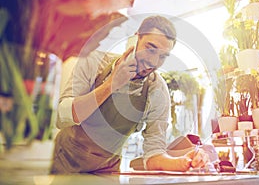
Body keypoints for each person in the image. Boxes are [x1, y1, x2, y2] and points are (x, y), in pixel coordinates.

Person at [50, 15, 210, 174]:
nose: (153, 62)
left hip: (107, 170)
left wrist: (183, 161)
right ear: (135, 39)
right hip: (65, 162)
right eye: (150, 48)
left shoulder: (157, 90)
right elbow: (62, 117)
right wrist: (111, 84)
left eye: (162, 56)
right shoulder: (93, 62)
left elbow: (154, 154)